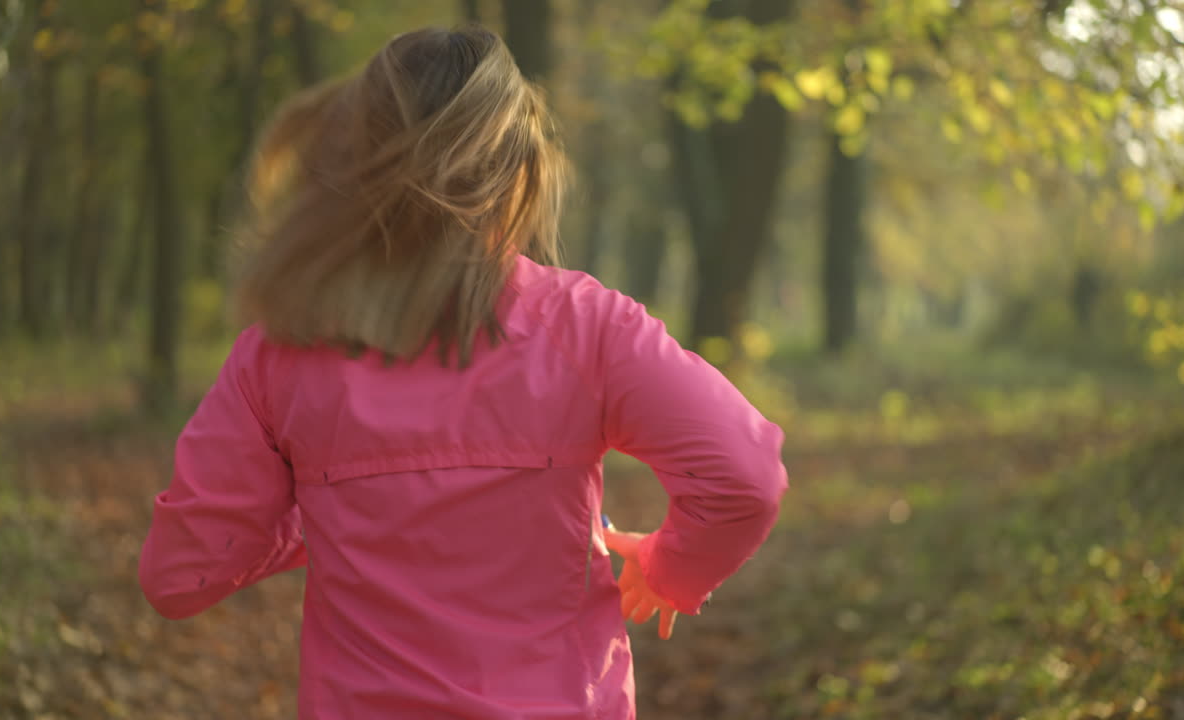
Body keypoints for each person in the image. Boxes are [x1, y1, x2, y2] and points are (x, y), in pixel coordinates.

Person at [137, 25, 787, 720]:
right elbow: (743, 478)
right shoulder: (586, 326)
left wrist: (328, 509)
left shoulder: (280, 353)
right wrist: (668, 570)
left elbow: (180, 576)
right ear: (517, 170)